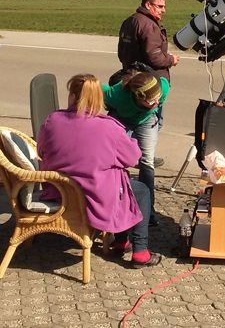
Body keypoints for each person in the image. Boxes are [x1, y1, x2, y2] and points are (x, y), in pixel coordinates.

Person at [38, 74, 161, 268]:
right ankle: (140, 251)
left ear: (72, 95)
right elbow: (132, 158)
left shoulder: (52, 120)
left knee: (121, 181)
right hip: (95, 199)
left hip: (58, 195)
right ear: (98, 98)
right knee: (139, 190)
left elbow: (41, 150)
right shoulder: (108, 128)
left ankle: (121, 241)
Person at [117, 0, 180, 157]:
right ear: (148, 5)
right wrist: (171, 60)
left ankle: (130, 153)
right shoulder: (149, 26)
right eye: (159, 6)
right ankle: (140, 156)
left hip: (131, 79)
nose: (163, 10)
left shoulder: (129, 21)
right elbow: (155, 58)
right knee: (154, 122)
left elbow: (121, 53)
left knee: (131, 120)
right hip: (150, 84)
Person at [102, 71, 169, 227]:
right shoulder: (117, 95)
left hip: (146, 121)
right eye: (151, 101)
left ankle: (148, 211)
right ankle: (118, 207)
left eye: (158, 97)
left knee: (147, 161)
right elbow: (94, 87)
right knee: (118, 162)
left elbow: (162, 90)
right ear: (138, 97)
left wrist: (156, 113)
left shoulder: (162, 88)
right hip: (122, 119)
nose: (157, 102)